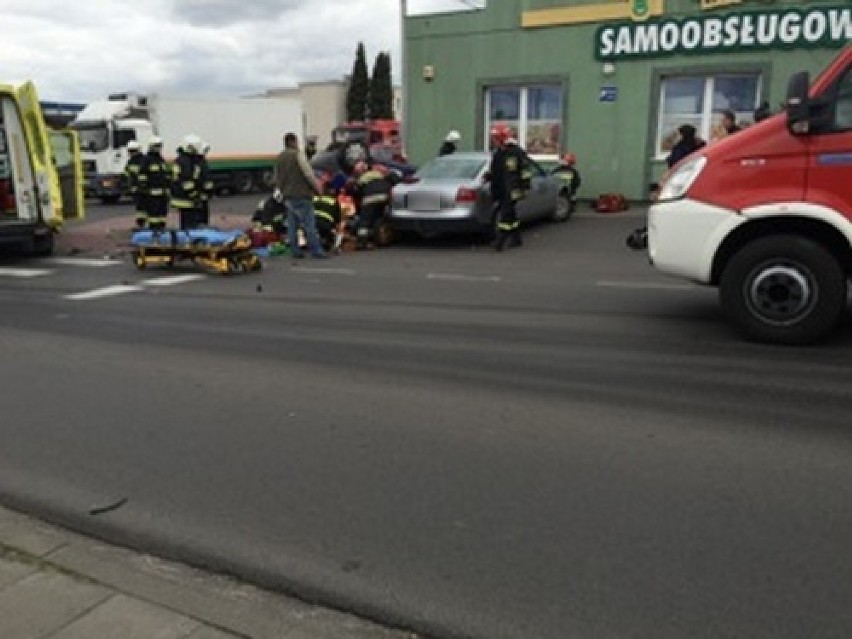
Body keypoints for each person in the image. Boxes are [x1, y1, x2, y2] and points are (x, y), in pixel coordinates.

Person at [274, 132, 328, 259]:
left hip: (287, 195)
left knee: (292, 225)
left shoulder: (280, 157)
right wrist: (318, 188)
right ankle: (316, 250)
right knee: (309, 224)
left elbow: (277, 177)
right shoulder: (298, 155)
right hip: (302, 194)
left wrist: (281, 191)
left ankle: (295, 250)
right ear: (293, 142)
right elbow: (308, 173)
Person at [488, 124, 530, 252]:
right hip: (501, 189)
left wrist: (524, 185)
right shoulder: (498, 154)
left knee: (505, 215)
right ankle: (516, 238)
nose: (493, 140)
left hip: (513, 189)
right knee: (511, 215)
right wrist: (489, 177)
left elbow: (525, 170)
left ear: (502, 138)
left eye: (495, 138)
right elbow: (496, 171)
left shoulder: (516, 152)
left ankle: (500, 241)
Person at [347, 160, 398, 250]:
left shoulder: (363, 178)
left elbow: (356, 192)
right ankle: (378, 238)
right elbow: (396, 180)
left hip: (370, 199)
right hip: (384, 198)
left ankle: (361, 243)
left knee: (364, 222)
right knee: (378, 217)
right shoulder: (380, 174)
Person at [171, 134, 204, 230]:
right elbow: (186, 182)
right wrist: (195, 195)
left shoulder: (183, 160)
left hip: (182, 196)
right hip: (186, 198)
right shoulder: (187, 162)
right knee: (189, 223)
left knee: (185, 221)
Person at [137, 136, 170, 230]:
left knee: (162, 213)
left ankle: (161, 228)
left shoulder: (161, 160)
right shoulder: (147, 160)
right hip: (152, 193)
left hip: (163, 193)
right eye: (156, 146)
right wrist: (144, 187)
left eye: (160, 146)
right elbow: (142, 175)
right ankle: (153, 229)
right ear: (151, 146)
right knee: (153, 214)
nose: (158, 148)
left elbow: (165, 175)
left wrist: (168, 187)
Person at [123, 140, 146, 228]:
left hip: (143, 188)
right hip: (136, 189)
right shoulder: (130, 161)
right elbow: (127, 174)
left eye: (133, 151)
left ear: (138, 150)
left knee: (144, 207)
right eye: (130, 151)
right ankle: (141, 224)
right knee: (139, 208)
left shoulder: (143, 160)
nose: (131, 153)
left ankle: (144, 224)